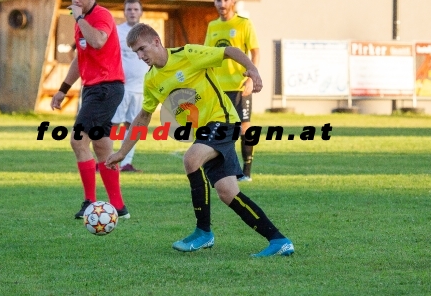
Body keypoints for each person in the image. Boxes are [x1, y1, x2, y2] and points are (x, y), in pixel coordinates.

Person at [106, 23, 294, 258]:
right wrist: (123, 152)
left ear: (156, 41)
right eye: (136, 53)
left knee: (191, 158)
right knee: (228, 193)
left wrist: (252, 70)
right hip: (205, 131)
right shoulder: (152, 80)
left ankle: (203, 233)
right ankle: (279, 240)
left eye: (143, 49)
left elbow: (230, 51)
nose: (141, 56)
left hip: (223, 119)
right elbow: (143, 117)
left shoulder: (188, 54)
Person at [51, 0, 129, 220]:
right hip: (94, 89)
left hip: (106, 88)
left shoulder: (100, 16)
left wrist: (80, 18)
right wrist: (63, 89)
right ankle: (119, 207)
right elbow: (80, 58)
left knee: (77, 141)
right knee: (102, 146)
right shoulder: (80, 22)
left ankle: (90, 203)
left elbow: (97, 41)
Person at [204, 0, 260, 182]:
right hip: (219, 87)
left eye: (225, 0)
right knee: (222, 128)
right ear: (215, 2)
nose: (222, 4)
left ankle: (247, 171)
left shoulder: (244, 24)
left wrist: (251, 77)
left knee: (245, 127)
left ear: (233, 2)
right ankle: (227, 170)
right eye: (218, 0)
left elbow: (255, 51)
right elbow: (207, 56)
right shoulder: (212, 26)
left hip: (239, 85)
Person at [111, 0, 148, 172]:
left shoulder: (147, 33)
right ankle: (107, 158)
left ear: (141, 12)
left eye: (135, 9)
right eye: (129, 9)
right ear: (124, 12)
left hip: (141, 89)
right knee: (113, 124)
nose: (132, 12)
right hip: (121, 87)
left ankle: (126, 162)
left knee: (133, 126)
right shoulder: (117, 32)